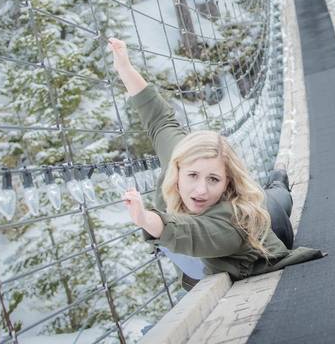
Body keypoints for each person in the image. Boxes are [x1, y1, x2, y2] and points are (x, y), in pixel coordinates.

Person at [109, 38, 323, 287]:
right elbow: (158, 119)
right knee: (265, 193)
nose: (200, 190)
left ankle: (279, 183)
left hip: (270, 224)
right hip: (234, 222)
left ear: (227, 184)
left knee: (277, 197)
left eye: (213, 179)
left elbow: (189, 231)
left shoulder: (232, 221)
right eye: (192, 176)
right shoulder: (180, 158)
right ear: (178, 169)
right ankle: (274, 183)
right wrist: (124, 68)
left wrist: (146, 219)